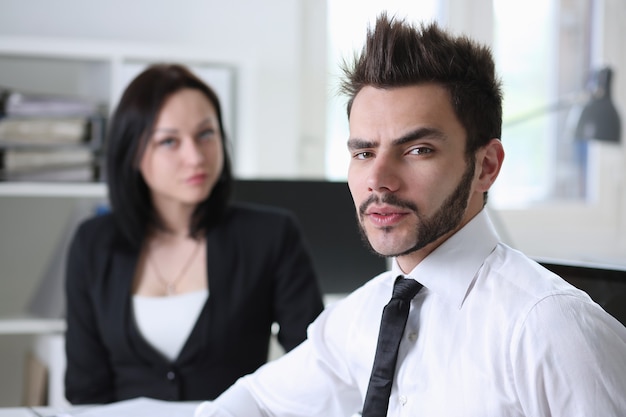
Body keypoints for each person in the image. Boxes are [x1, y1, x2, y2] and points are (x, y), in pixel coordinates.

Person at [194, 13, 626, 417]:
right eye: (364, 152)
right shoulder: (364, 313)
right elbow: (257, 401)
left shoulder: (550, 327)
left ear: (486, 166)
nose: (378, 179)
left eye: (418, 150)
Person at [63, 63, 324, 404]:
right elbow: (86, 390)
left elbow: (315, 368)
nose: (195, 157)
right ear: (133, 153)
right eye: (169, 141)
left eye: (205, 134)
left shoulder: (271, 235)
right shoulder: (93, 244)